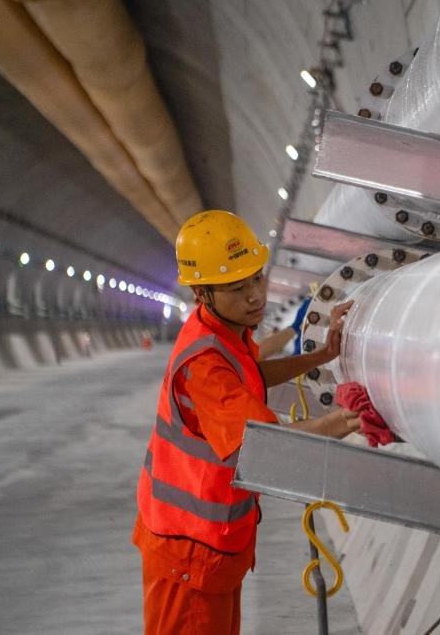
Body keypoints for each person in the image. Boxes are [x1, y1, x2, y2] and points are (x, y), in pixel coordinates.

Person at [133, 209, 359, 634]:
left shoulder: (223, 331)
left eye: (257, 278)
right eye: (238, 288)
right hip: (189, 550)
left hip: (210, 543)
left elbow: (251, 375)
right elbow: (264, 440)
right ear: (202, 294)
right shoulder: (205, 365)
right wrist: (343, 421)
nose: (256, 296)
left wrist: (320, 356)